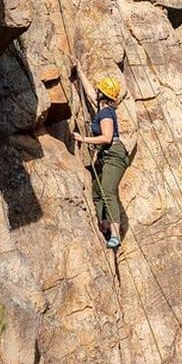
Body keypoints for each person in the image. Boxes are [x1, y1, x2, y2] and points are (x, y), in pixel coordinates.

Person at [73, 63, 129, 249]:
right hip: (108, 156)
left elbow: (106, 138)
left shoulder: (105, 113)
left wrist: (83, 138)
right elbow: (90, 94)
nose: (95, 92)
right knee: (97, 191)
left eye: (99, 91)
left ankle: (115, 234)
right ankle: (103, 223)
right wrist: (80, 71)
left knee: (107, 191)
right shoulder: (103, 108)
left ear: (102, 94)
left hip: (114, 154)